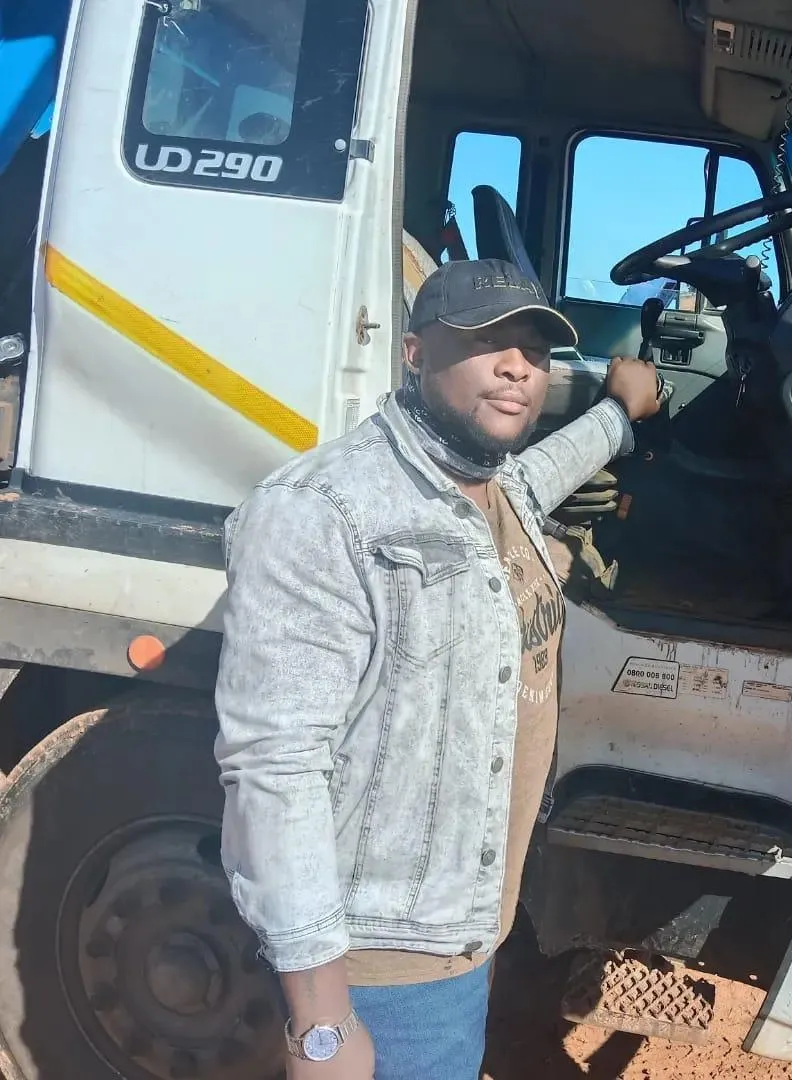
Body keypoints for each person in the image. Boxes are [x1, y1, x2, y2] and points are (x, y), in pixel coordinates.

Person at [214, 258, 662, 1079]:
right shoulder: (321, 513)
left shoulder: (497, 488)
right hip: (387, 963)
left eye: (536, 350)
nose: (518, 366)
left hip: (468, 929)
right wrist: (322, 1021)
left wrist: (619, 411)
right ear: (414, 353)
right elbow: (275, 767)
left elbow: (542, 471)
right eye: (489, 341)